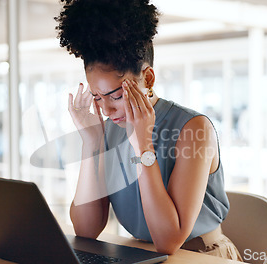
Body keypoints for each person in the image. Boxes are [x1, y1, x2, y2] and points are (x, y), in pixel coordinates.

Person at [55, 0, 242, 260]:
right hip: (140, 254)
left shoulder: (194, 129)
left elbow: (168, 240)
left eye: (116, 95)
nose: (107, 110)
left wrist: (143, 145)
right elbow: (86, 229)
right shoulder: (109, 129)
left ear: (149, 78)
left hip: (200, 255)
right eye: (97, 97)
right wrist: (92, 143)